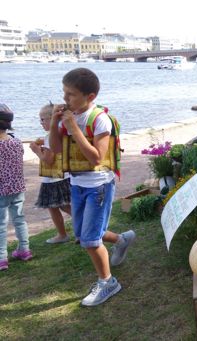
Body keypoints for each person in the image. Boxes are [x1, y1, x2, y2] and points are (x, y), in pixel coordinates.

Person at [49, 68, 135, 306]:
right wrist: (56, 122)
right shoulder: (70, 116)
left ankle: (108, 282)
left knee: (89, 239)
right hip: (77, 184)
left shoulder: (99, 119)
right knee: (82, 232)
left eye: (71, 94)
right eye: (64, 93)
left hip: (98, 186)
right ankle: (121, 240)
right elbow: (56, 150)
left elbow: (97, 157)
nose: (65, 99)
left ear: (91, 96)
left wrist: (73, 127)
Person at [29, 103, 72, 244]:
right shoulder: (62, 132)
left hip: (54, 179)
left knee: (60, 206)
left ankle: (64, 234)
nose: (41, 123)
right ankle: (78, 231)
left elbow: (48, 160)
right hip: (64, 176)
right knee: (59, 206)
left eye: (43, 119)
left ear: (52, 119)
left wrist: (36, 150)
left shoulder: (50, 137)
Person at [0, 103, 32, 271]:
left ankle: (2, 258)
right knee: (19, 219)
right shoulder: (16, 142)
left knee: (0, 224)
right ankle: (24, 250)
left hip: (1, 190)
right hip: (18, 187)